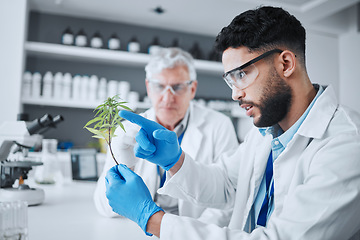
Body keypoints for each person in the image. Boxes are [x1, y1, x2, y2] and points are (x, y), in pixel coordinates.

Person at [105, 6, 360, 240]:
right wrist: (175, 161)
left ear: (286, 63)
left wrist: (152, 219)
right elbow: (225, 185)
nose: (235, 94)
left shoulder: (346, 145)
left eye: (242, 74)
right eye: (231, 79)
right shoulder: (266, 133)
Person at [94, 47, 239, 227]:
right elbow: (104, 206)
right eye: (159, 86)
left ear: (192, 89)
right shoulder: (127, 130)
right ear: (148, 87)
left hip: (193, 230)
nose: (167, 97)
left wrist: (187, 233)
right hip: (141, 228)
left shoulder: (219, 125)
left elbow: (228, 199)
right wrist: (125, 164)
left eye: (177, 87)